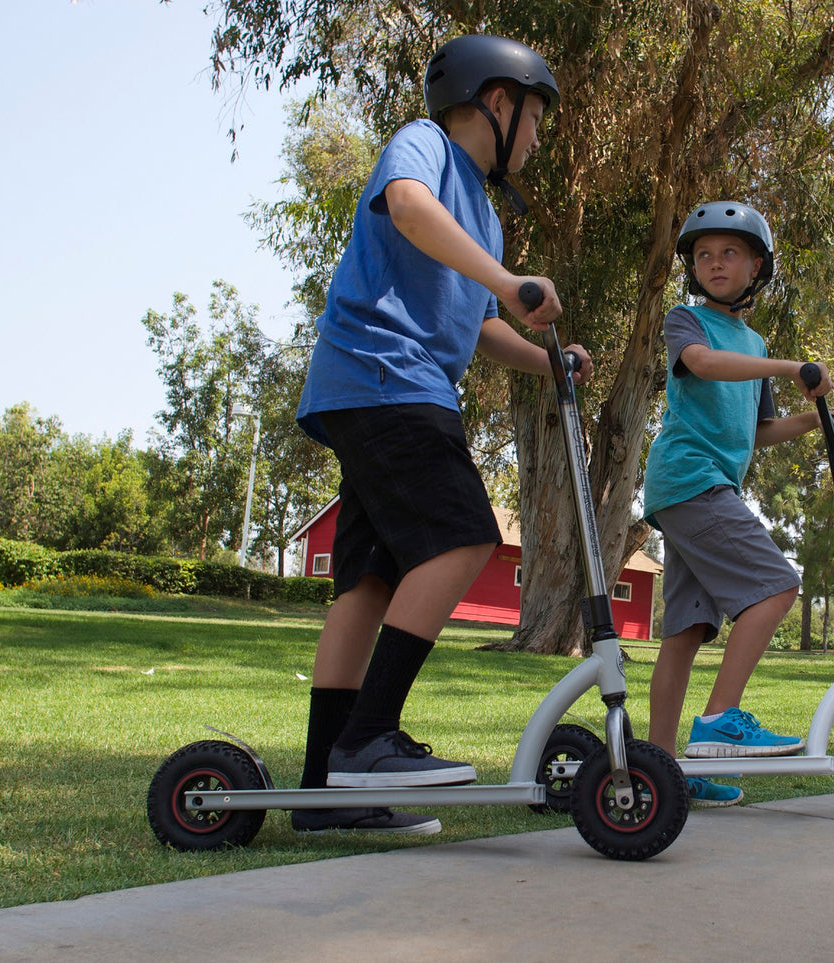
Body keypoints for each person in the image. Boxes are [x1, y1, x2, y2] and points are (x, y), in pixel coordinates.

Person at [289, 34, 592, 835]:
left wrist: (546, 360)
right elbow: (408, 208)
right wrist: (506, 278)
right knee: (460, 533)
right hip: (385, 372)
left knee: (370, 580)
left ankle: (326, 793)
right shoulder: (421, 147)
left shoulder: (485, 218)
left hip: (384, 385)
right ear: (497, 100)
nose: (536, 138)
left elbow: (479, 325)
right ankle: (367, 741)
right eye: (535, 120)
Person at [643, 201, 834, 808]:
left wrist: (814, 420)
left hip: (700, 488)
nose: (714, 263)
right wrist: (791, 367)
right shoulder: (687, 321)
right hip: (690, 479)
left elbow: (758, 431)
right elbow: (702, 365)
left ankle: (664, 768)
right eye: (703, 254)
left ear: (757, 265)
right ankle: (718, 723)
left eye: (729, 252)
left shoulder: (752, 341)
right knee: (777, 586)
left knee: (687, 631)